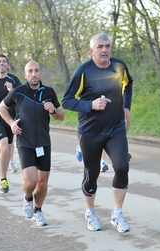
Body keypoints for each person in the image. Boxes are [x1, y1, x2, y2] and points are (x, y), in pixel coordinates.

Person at [62, 33, 133, 233]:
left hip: (115, 129)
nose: (104, 50)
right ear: (91, 51)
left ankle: (117, 213)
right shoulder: (83, 71)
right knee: (91, 174)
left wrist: (126, 106)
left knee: (121, 166)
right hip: (90, 132)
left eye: (107, 46)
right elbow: (67, 100)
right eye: (100, 47)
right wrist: (90, 104)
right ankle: (90, 211)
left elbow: (128, 85)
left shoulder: (119, 66)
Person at [0, 60, 64, 226]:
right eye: (30, 71)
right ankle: (28, 198)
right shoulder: (18, 92)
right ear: (25, 75)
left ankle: (38, 210)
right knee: (31, 182)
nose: (34, 74)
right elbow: (1, 108)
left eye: (36, 71)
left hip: (43, 143)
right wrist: (12, 123)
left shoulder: (48, 92)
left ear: (40, 73)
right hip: (25, 142)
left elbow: (61, 115)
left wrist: (53, 110)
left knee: (42, 184)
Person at [0, 55, 21, 193]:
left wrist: (12, 91)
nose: (2, 64)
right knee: (3, 146)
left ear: (7, 65)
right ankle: (3, 178)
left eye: (4, 61)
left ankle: (4, 165)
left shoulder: (14, 80)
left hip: (12, 119)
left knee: (9, 146)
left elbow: (22, 96)